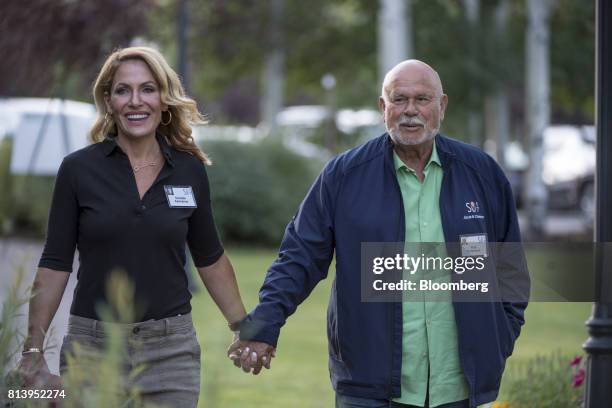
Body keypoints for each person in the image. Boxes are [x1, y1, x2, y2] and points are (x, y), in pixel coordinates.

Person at [229, 60, 529, 408]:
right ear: (382, 108)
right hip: (369, 388)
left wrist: (497, 340)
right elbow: (299, 257)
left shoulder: (482, 173)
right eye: (399, 100)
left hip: (459, 389)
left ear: (442, 106)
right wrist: (264, 325)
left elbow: (511, 272)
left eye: (422, 99)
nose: (411, 111)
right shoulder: (343, 176)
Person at [15, 46, 247, 407]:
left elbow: (210, 257)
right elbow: (55, 263)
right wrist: (33, 352)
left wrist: (244, 329)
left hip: (171, 352)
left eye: (148, 89)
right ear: (108, 101)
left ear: (164, 99)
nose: (135, 101)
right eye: (123, 90)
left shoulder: (189, 170)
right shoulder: (78, 170)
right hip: (92, 350)